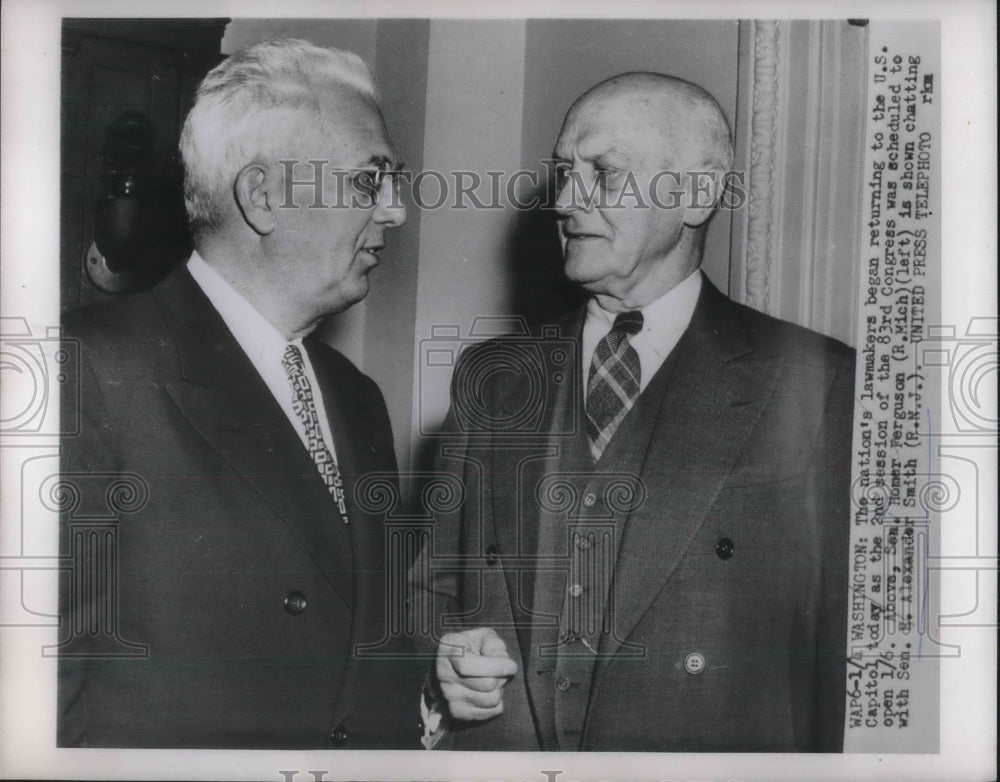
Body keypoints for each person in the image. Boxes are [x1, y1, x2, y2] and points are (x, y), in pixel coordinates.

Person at [410, 72, 855, 752]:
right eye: (564, 173)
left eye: (604, 173)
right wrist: (441, 667)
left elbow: (843, 654)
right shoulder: (490, 377)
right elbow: (427, 592)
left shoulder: (816, 381)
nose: (566, 200)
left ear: (697, 194)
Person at [58, 39, 417, 748]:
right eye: (369, 181)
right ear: (262, 196)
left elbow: (361, 654)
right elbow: (41, 703)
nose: (397, 212)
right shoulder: (88, 372)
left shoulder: (357, 398)